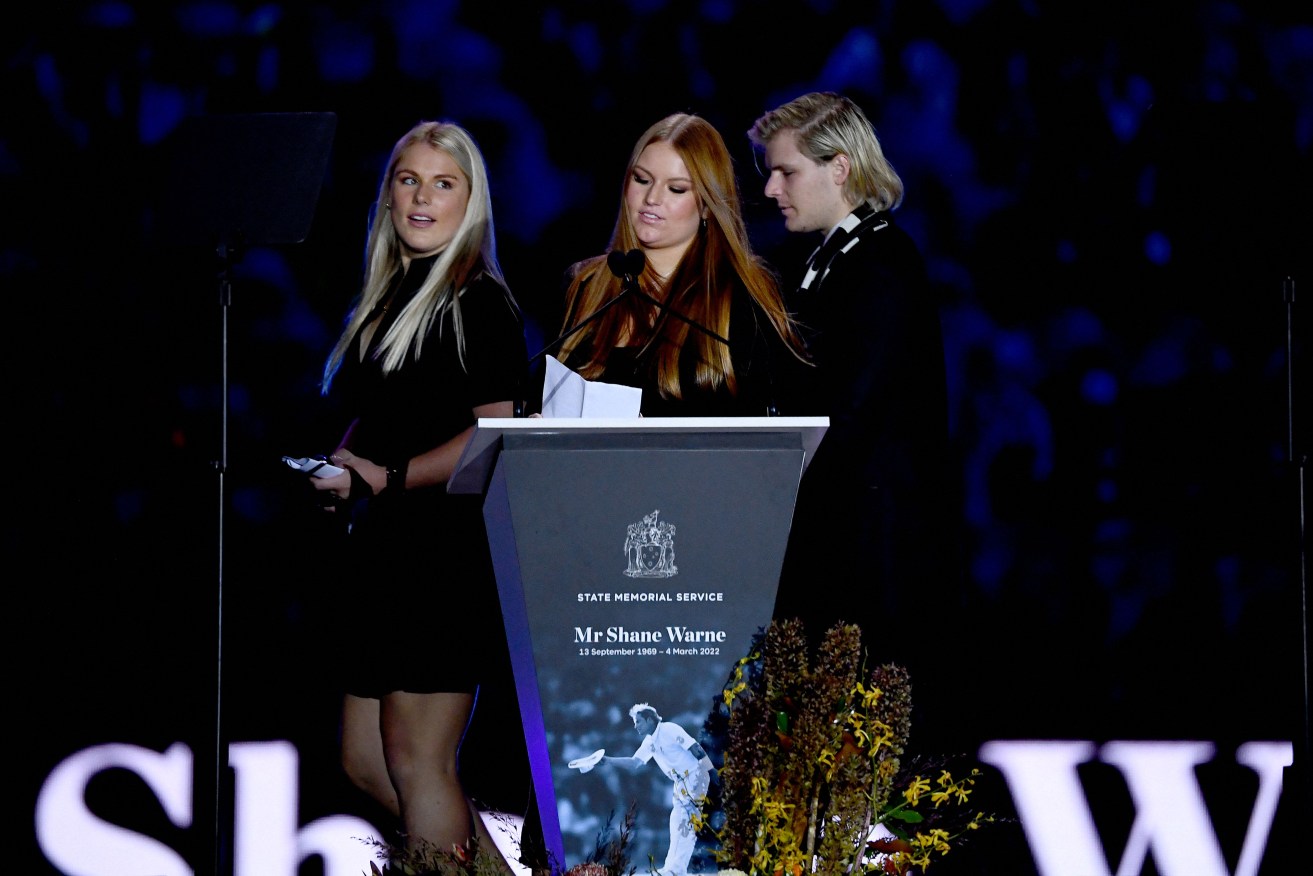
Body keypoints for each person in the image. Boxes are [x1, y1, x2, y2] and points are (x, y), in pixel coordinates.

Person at [301, 119, 527, 863]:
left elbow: (495, 434)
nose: (421, 197)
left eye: (443, 182)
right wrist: (344, 459)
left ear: (471, 200)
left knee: (415, 761)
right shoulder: (396, 290)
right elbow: (394, 409)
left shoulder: (477, 300)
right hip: (385, 554)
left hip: (442, 558)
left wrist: (386, 475)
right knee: (364, 762)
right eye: (408, 179)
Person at [746, 93, 957, 675]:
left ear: (839, 167)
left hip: (872, 560)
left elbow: (846, 417)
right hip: (853, 546)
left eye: (786, 172)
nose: (771, 189)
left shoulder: (880, 264)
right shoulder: (845, 258)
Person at [538, 112, 809, 417]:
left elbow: (774, 417)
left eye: (676, 188)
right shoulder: (583, 285)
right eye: (642, 180)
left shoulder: (743, 293)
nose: (652, 198)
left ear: (707, 206)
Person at [568, 704, 715, 876]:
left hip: (695, 776)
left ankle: (675, 870)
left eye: (638, 721)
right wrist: (607, 760)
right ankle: (675, 869)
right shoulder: (650, 741)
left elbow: (695, 748)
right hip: (680, 783)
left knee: (684, 821)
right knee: (677, 821)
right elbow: (634, 763)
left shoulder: (669, 729)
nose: (635, 725)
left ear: (649, 720)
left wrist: (712, 773)